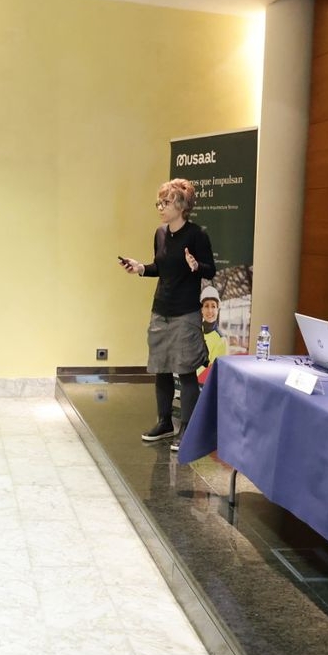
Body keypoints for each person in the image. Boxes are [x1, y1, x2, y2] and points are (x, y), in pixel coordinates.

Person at [119, 178, 215, 451]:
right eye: (159, 202)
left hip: (186, 313)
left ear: (183, 205)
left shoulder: (197, 235)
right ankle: (164, 423)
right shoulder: (160, 233)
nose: (160, 207)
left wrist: (196, 266)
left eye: (166, 202)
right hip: (161, 309)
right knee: (160, 367)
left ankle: (187, 428)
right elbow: (161, 267)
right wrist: (140, 268)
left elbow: (210, 270)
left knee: (185, 371)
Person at [196, 285, 227, 385]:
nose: (210, 311)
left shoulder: (221, 340)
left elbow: (213, 373)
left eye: (213, 306)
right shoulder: (196, 331)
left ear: (218, 309)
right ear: (201, 309)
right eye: (206, 306)